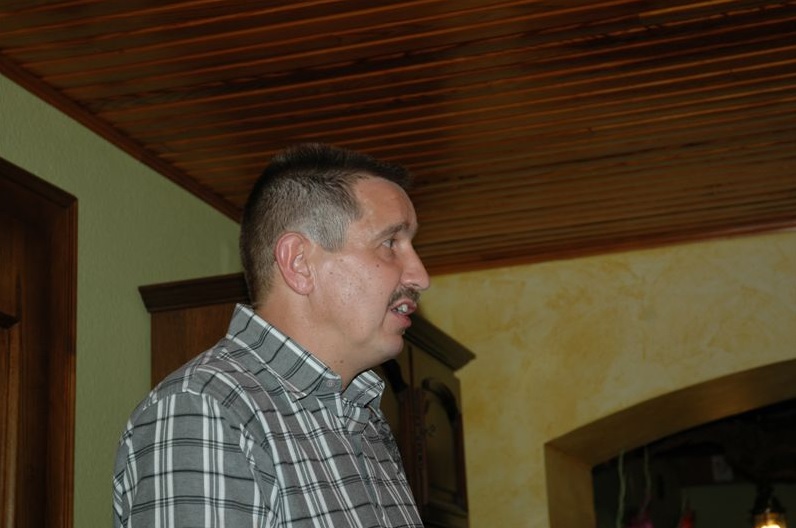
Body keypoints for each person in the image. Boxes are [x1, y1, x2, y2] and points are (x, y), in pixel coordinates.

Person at [112, 143, 430, 527]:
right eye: (390, 243)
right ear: (299, 263)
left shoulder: (365, 419)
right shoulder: (207, 410)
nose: (420, 276)